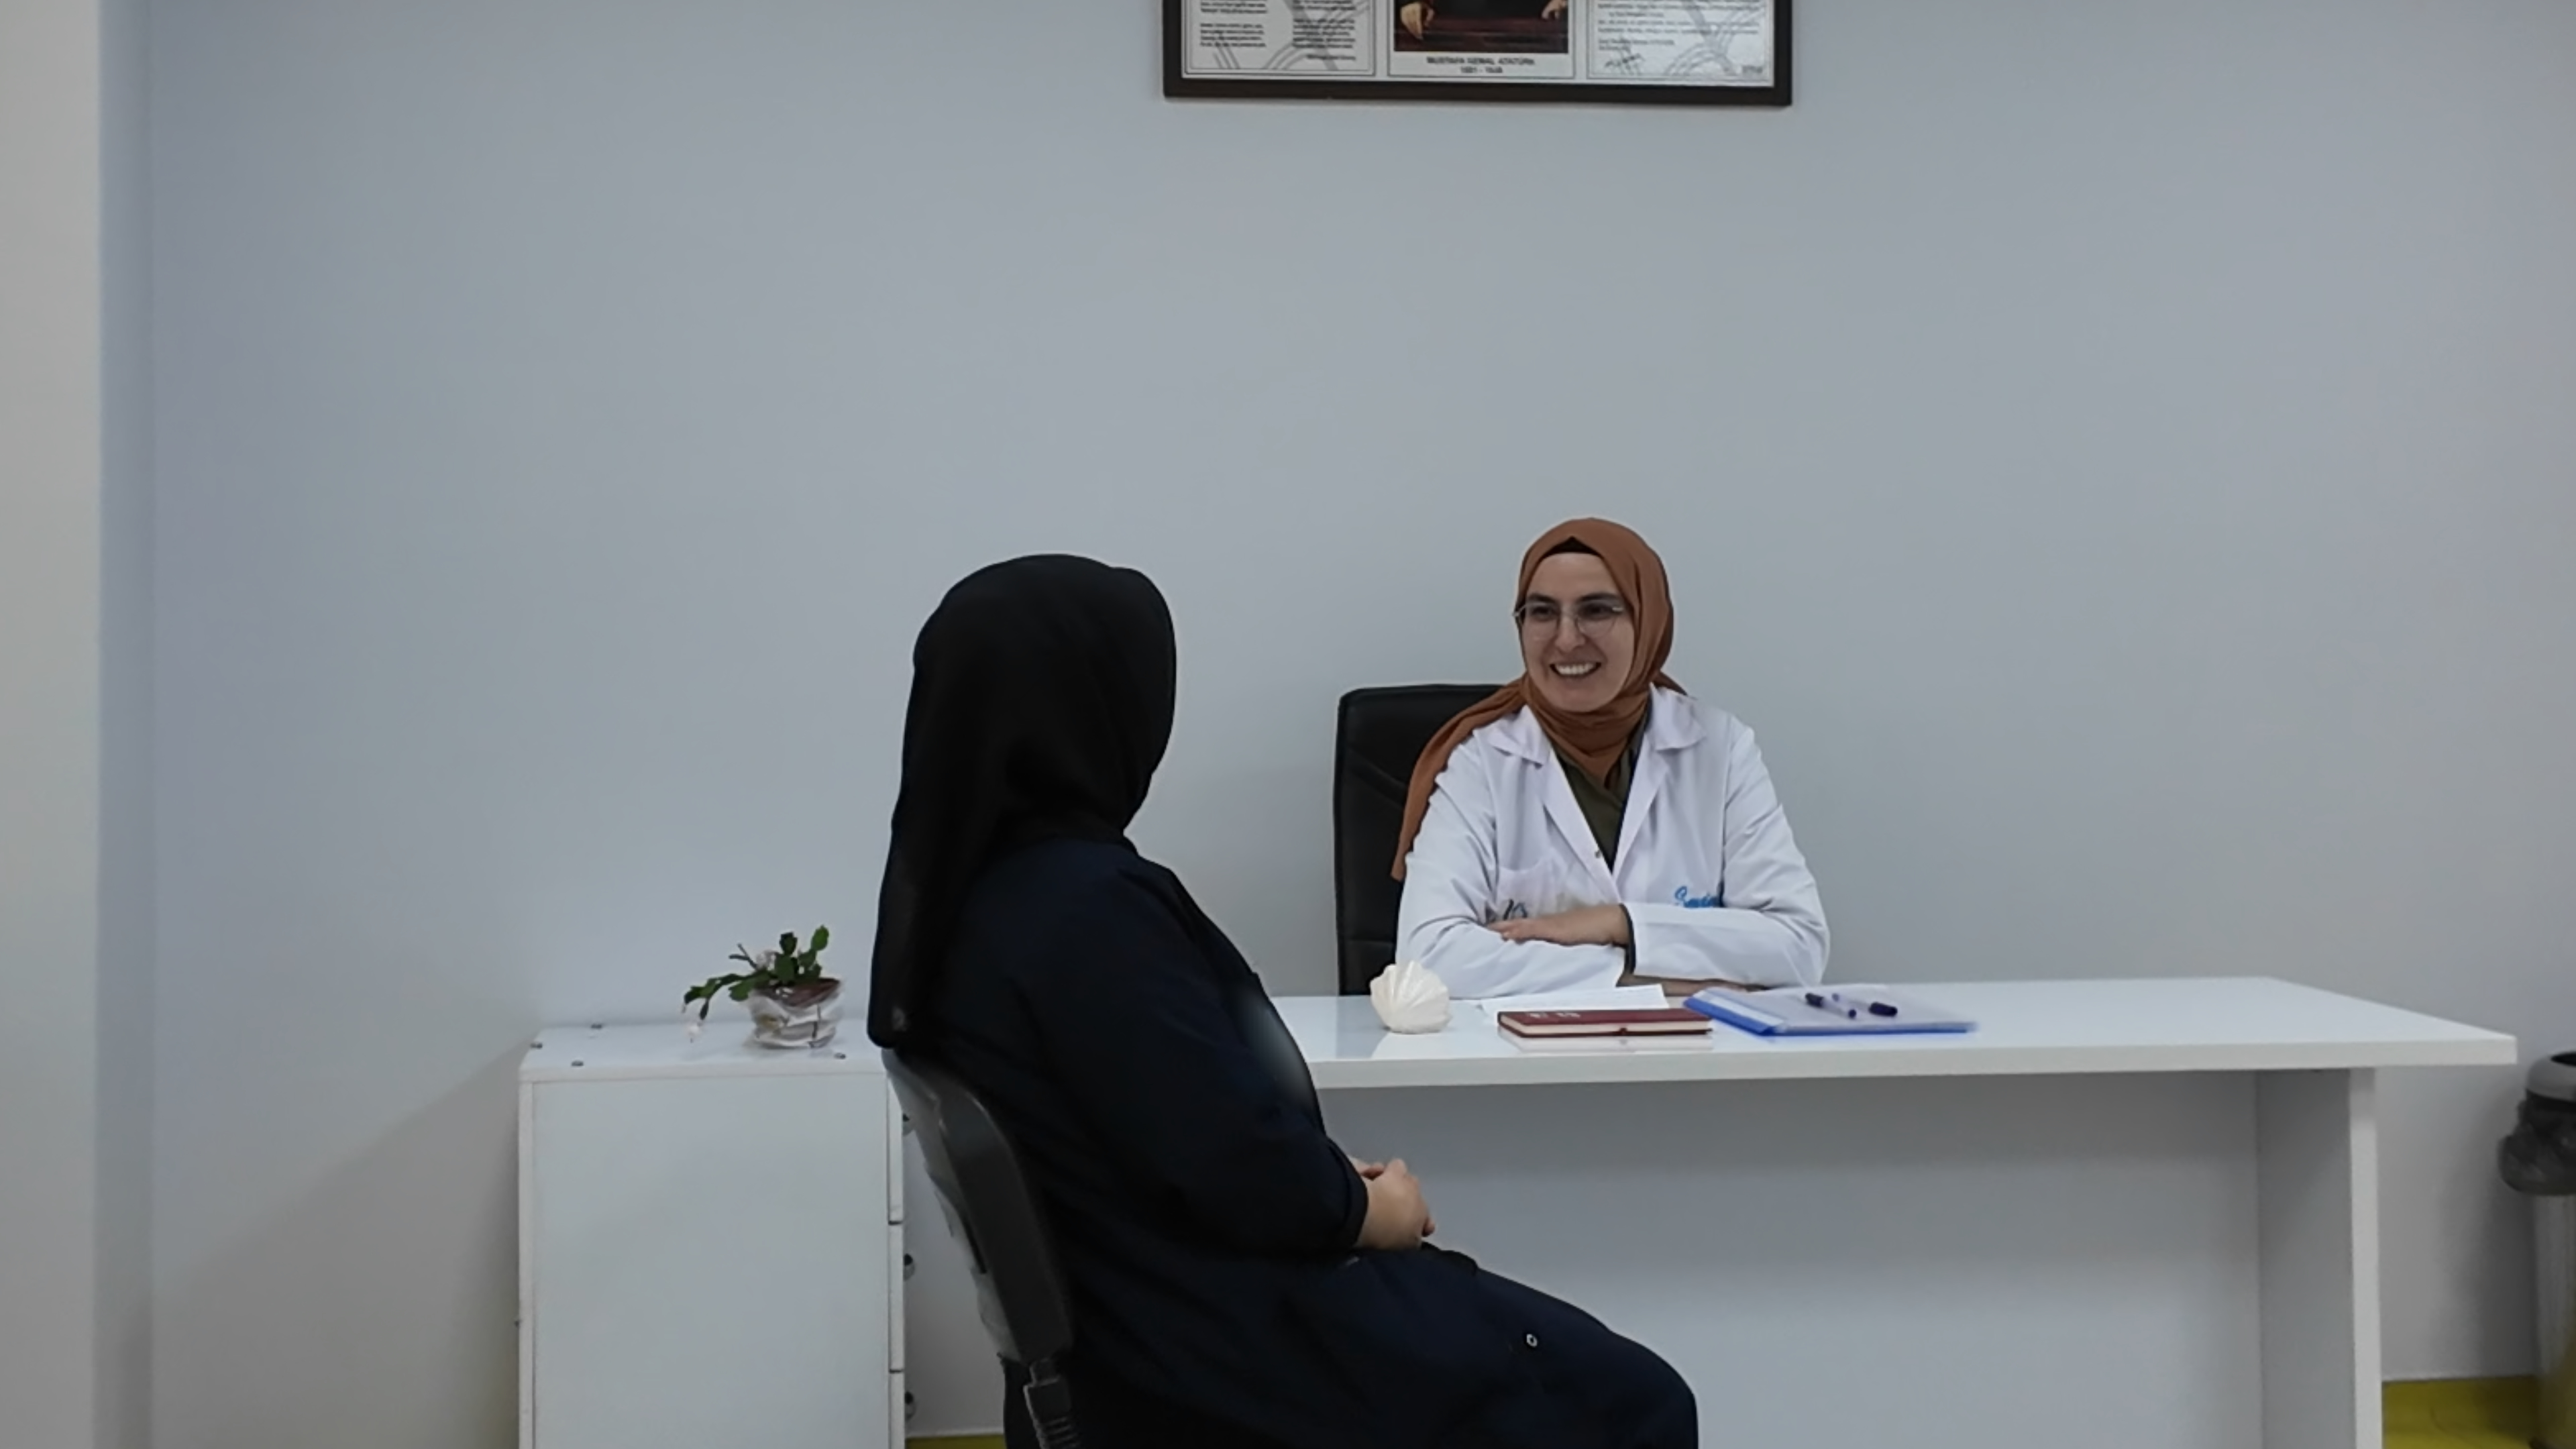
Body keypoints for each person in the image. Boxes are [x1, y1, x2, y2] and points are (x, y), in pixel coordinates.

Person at [870, 555, 1697, 1449]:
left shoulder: (971, 901)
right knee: (1635, 1402)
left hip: (1149, 1339)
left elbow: (1174, 1129)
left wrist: (1323, 1186)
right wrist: (1366, 1210)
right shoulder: (1085, 910)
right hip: (1228, 1356)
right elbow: (1222, 1156)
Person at [1393, 519, 1827, 1000]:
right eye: (1542, 613)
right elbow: (1428, 958)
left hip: (1695, 1045)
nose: (1566, 639)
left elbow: (1799, 946)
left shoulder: (1718, 749)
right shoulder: (1483, 762)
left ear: (1648, 622)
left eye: (1596, 610)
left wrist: (1620, 923)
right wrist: (1638, 975)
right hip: (1520, 1046)